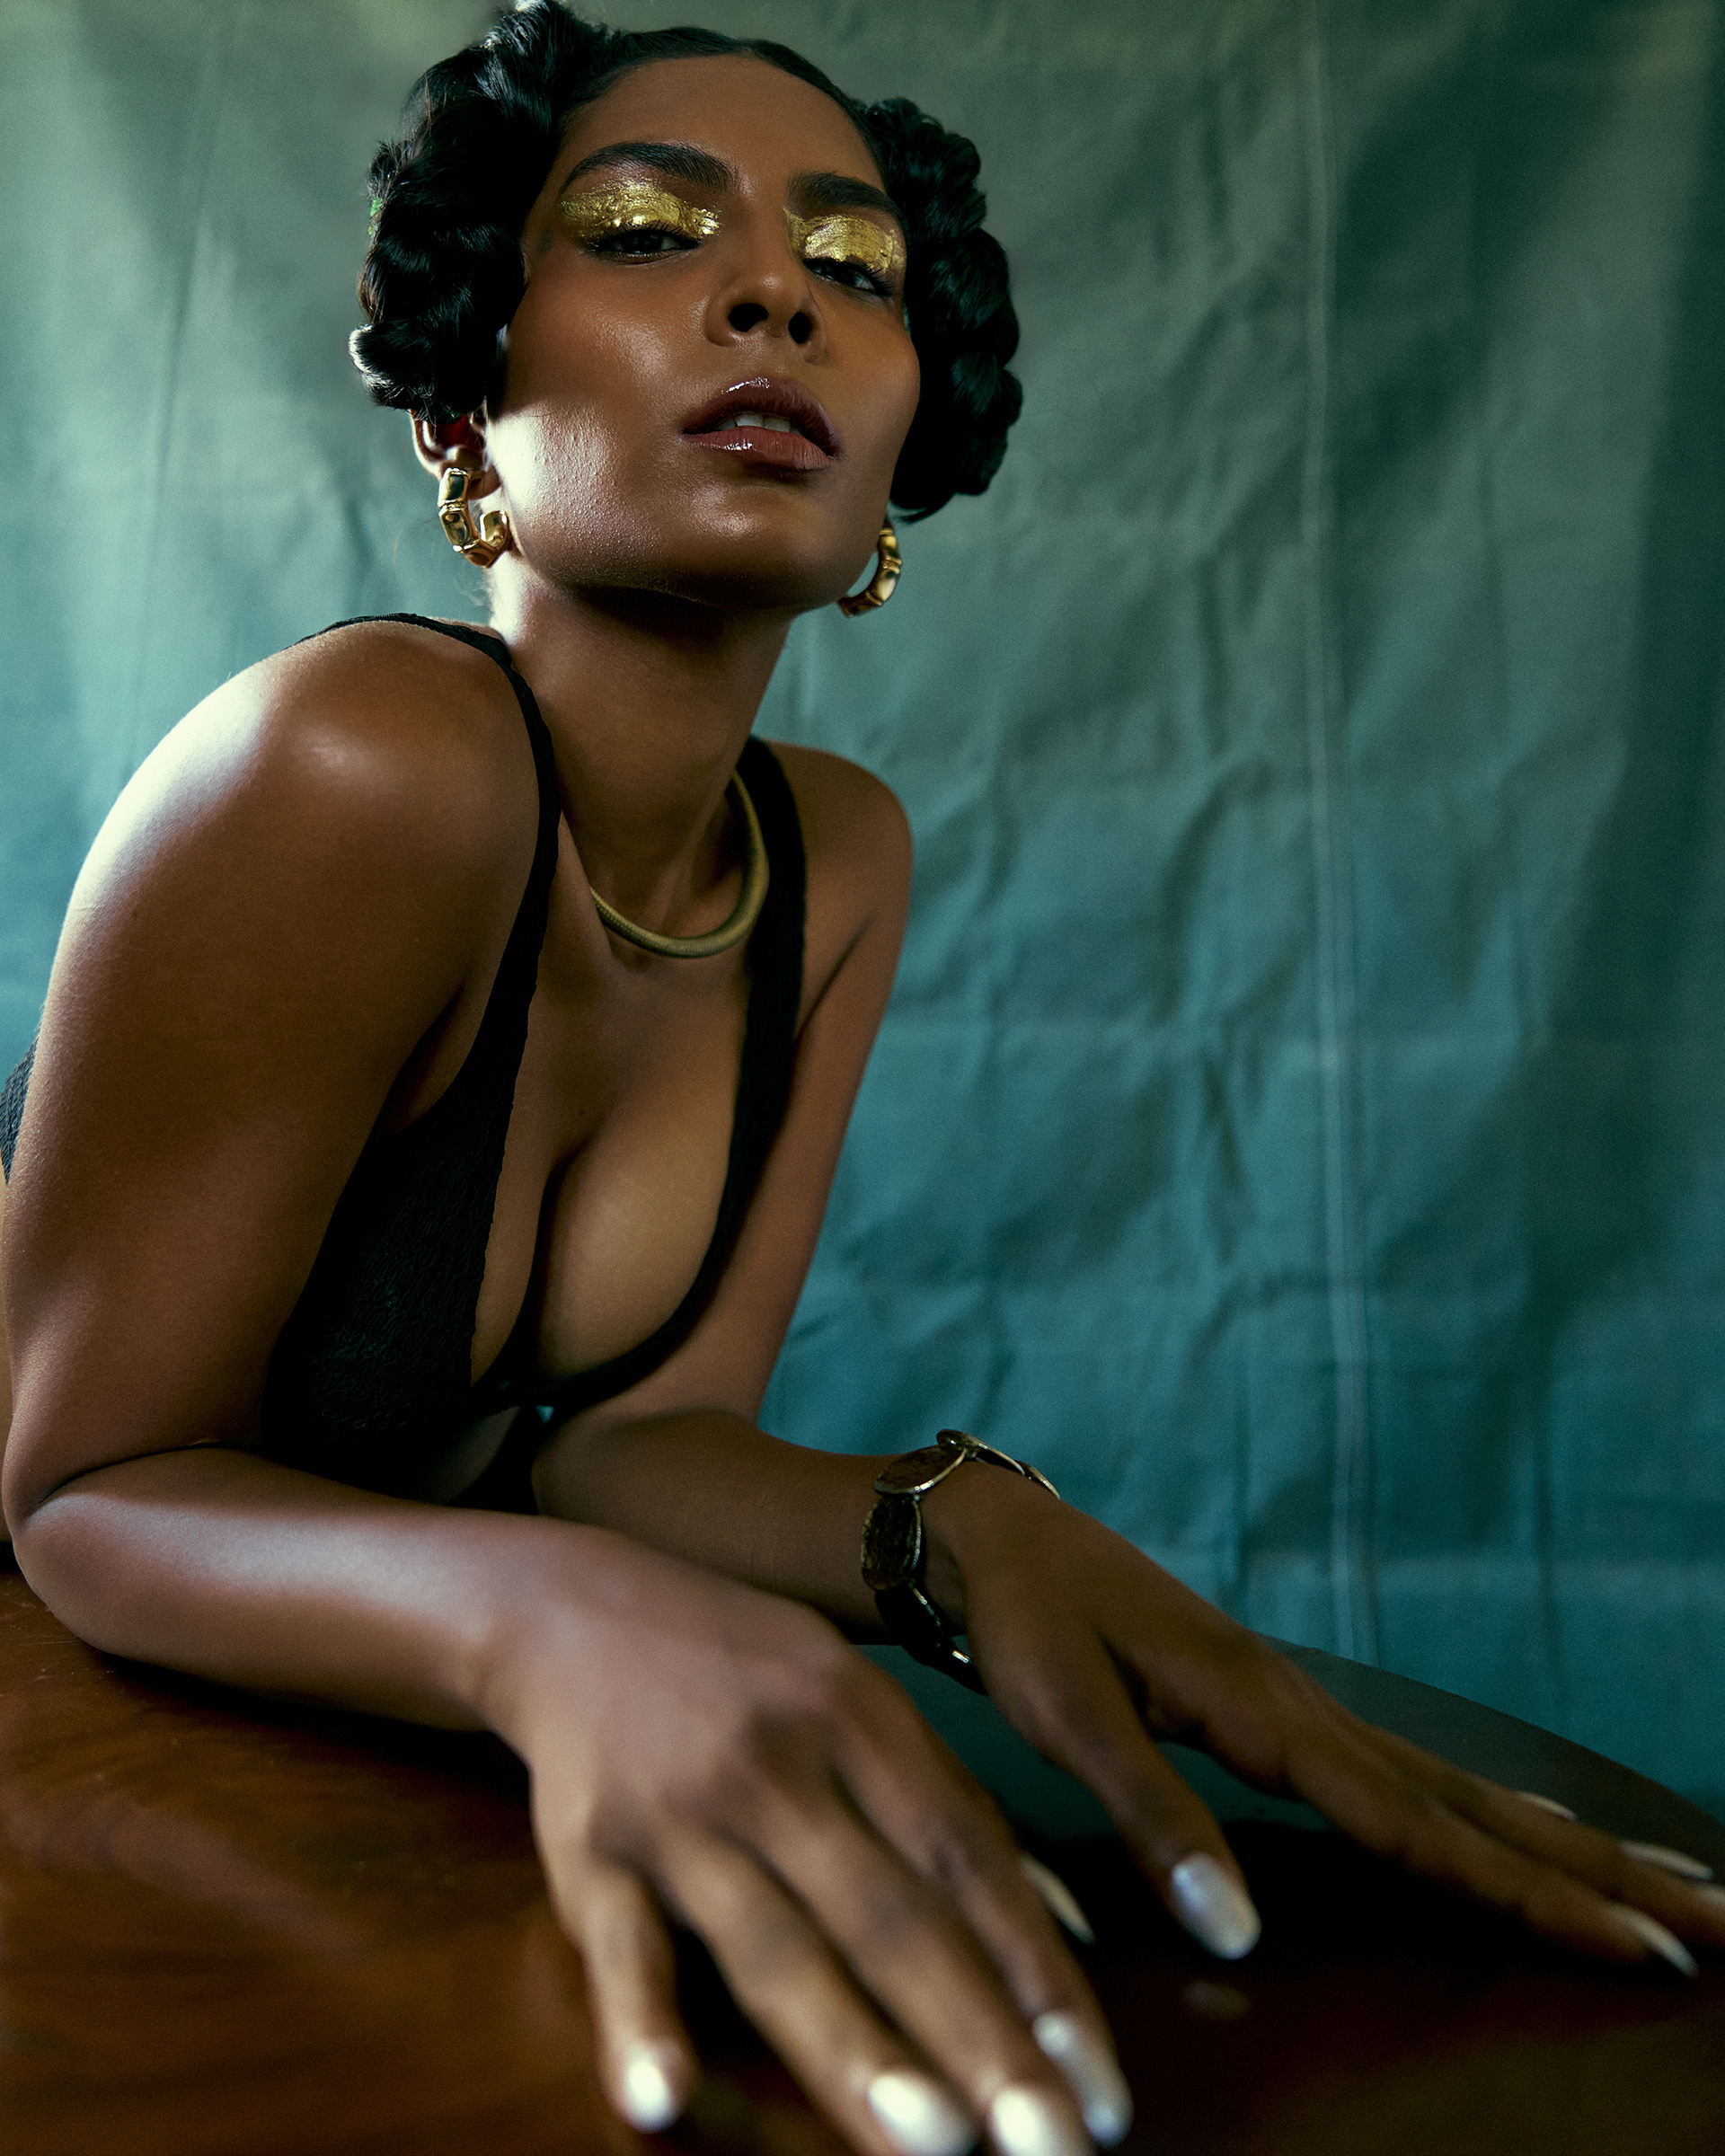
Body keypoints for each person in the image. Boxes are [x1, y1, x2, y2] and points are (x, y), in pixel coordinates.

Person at [1, 8, 1719, 2152]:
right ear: (461, 399)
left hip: (298, 1749)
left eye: (855, 265)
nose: (776, 294)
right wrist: (555, 1630)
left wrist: (943, 1525)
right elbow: (80, 1489)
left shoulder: (833, 861)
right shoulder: (355, 764)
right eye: (647, 228)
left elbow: (639, 1444)